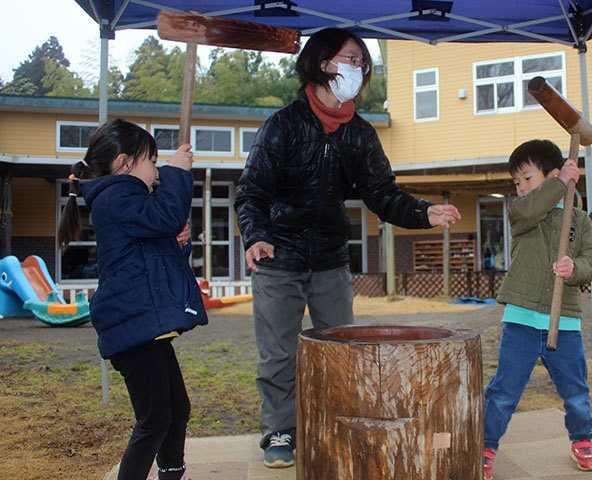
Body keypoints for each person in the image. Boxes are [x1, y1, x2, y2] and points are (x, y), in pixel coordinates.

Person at [234, 27, 461, 468]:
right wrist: (256, 235)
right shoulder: (282, 125)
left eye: (361, 62)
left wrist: (422, 212)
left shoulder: (359, 133)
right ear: (322, 62)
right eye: (349, 59)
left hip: (331, 259)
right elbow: (252, 191)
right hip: (277, 257)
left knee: (342, 349)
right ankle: (280, 431)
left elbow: (382, 192)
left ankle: (335, 422)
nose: (357, 68)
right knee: (279, 352)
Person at [57, 119, 207, 480]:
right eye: (153, 162)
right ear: (125, 163)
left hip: (142, 325)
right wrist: (177, 172)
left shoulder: (128, 201)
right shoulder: (115, 197)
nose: (157, 170)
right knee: (154, 419)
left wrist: (178, 243)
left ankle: (172, 471)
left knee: (176, 407)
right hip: (131, 327)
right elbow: (167, 214)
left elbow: (158, 255)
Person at [482, 139, 592, 479]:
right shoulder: (523, 214)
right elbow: (530, 209)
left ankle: (583, 440)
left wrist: (573, 269)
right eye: (516, 182)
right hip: (521, 318)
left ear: (550, 174)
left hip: (563, 322)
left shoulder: (580, 220)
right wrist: (557, 184)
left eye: (527, 179)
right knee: (504, 391)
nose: (520, 188)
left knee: (575, 390)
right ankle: (486, 445)